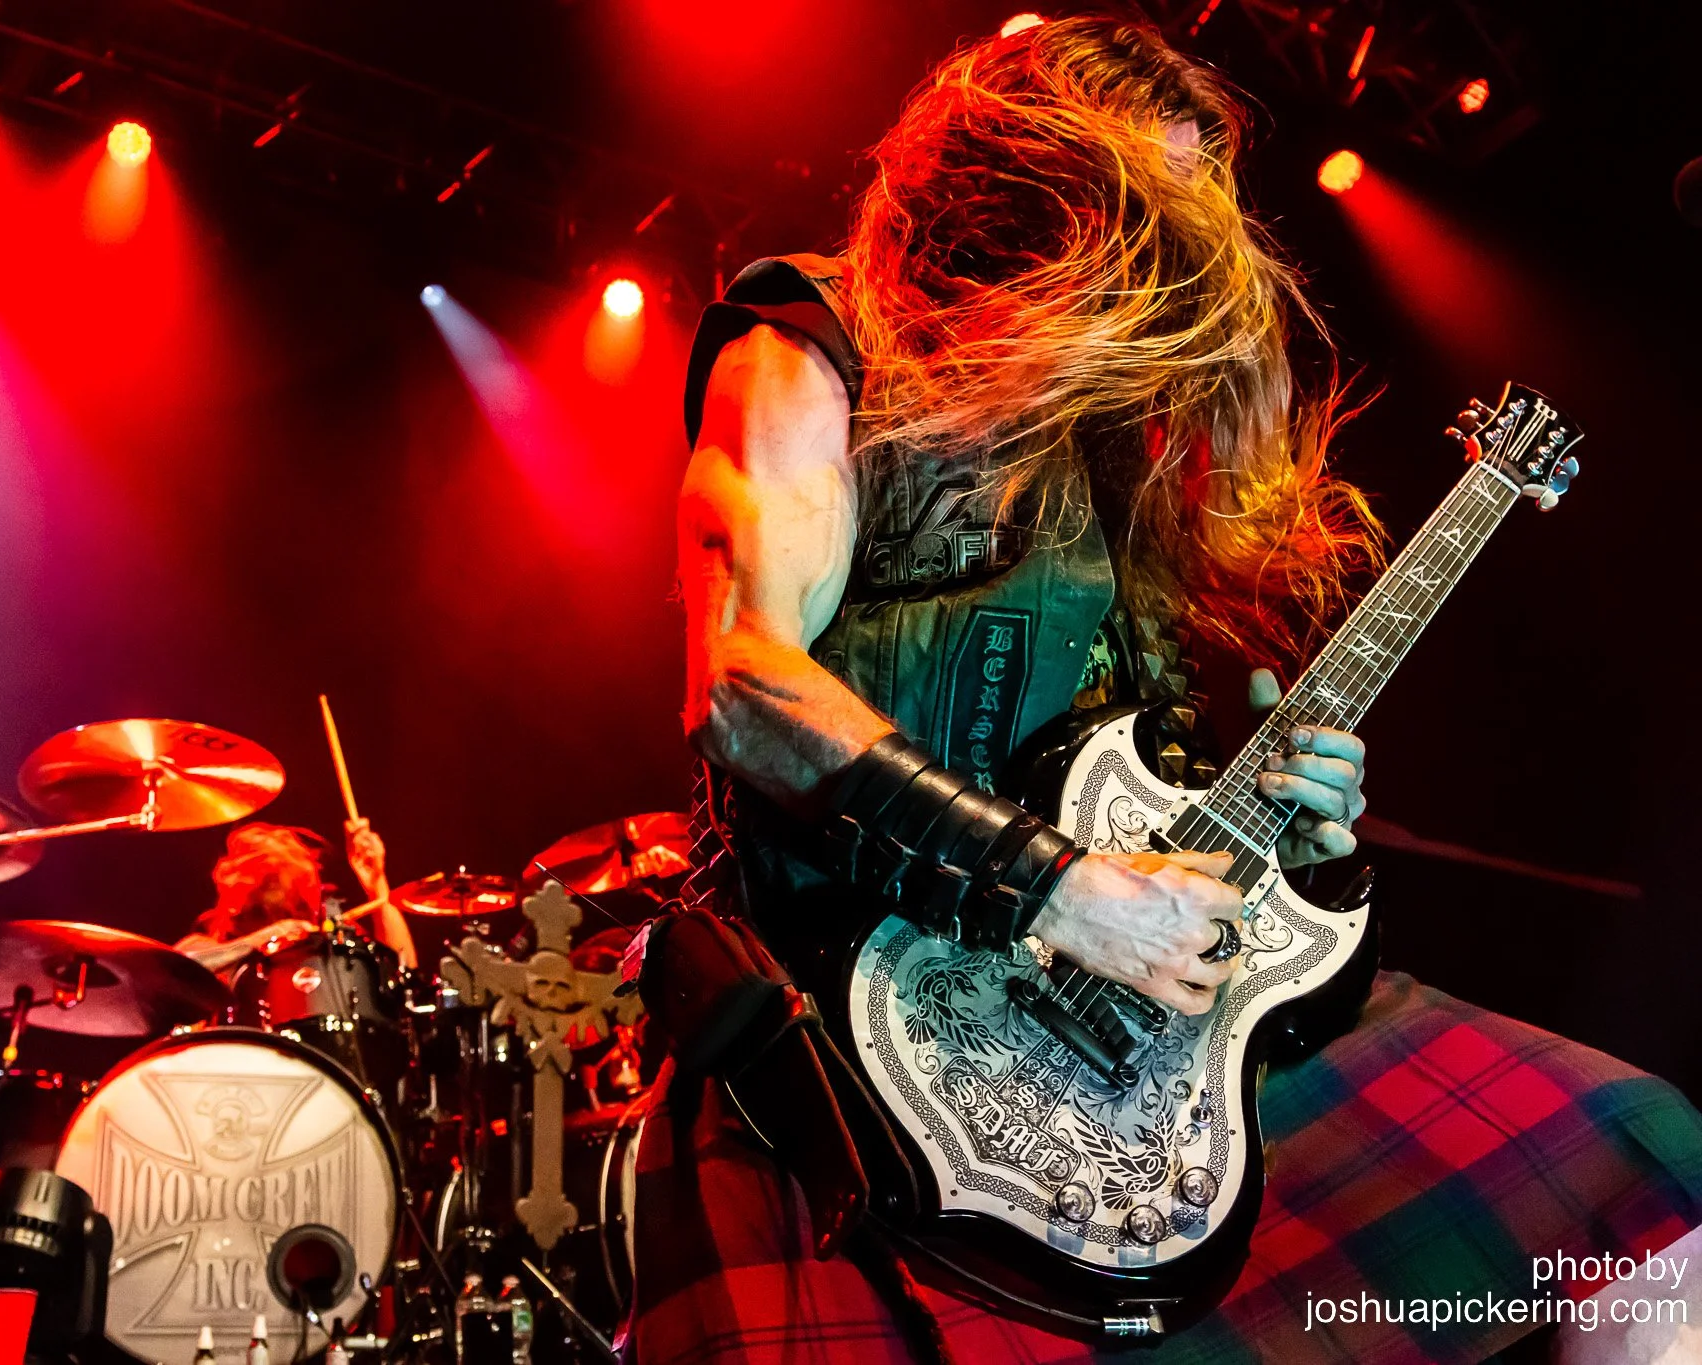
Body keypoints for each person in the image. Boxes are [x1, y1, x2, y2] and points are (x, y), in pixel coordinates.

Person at [638, 16, 1702, 1364]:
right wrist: (1061, 890)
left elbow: (1109, 750)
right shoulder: (807, 345)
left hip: (1123, 1025)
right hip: (848, 1012)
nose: (1168, 257)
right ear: (1017, 193)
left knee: (1638, 1163)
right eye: (1139, 212)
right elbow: (740, 685)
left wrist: (1275, 831)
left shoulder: (1101, 427)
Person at [174, 819, 417, 973]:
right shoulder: (207, 945)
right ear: (236, 903)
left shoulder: (323, 941)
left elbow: (405, 974)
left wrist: (377, 887)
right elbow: (173, 972)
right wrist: (268, 939)